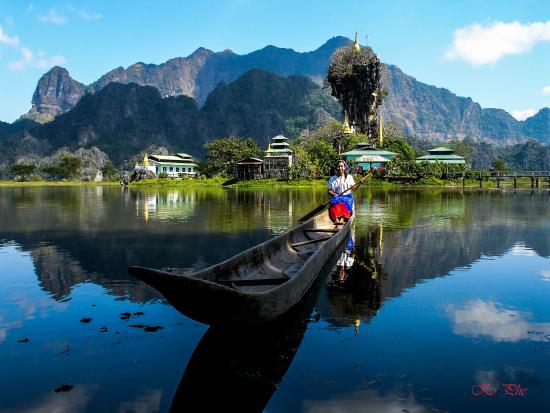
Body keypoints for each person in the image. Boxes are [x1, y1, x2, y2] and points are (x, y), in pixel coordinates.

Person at [328, 160, 355, 224]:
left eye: (341, 166)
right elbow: (329, 191)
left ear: (344, 167)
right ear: (336, 168)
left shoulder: (349, 177)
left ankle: (342, 219)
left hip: (347, 197)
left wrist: (359, 184)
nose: (340, 168)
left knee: (345, 202)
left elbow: (354, 189)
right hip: (336, 197)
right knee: (335, 202)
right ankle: (336, 219)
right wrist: (334, 194)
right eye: (338, 166)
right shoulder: (332, 179)